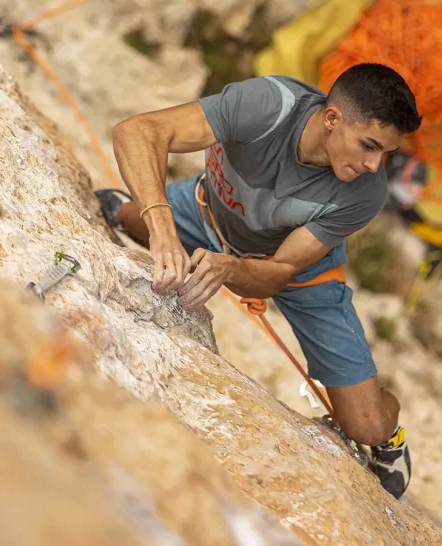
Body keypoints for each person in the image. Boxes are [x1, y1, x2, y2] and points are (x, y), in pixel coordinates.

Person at [95, 63, 422, 499]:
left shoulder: (365, 192)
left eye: (385, 154)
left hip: (301, 273)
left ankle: (389, 432)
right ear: (332, 118)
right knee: (123, 214)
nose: (373, 164)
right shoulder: (268, 105)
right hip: (206, 212)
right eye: (369, 145)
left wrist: (228, 268)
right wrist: (162, 227)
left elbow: (278, 274)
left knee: (365, 425)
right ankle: (136, 214)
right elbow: (138, 132)